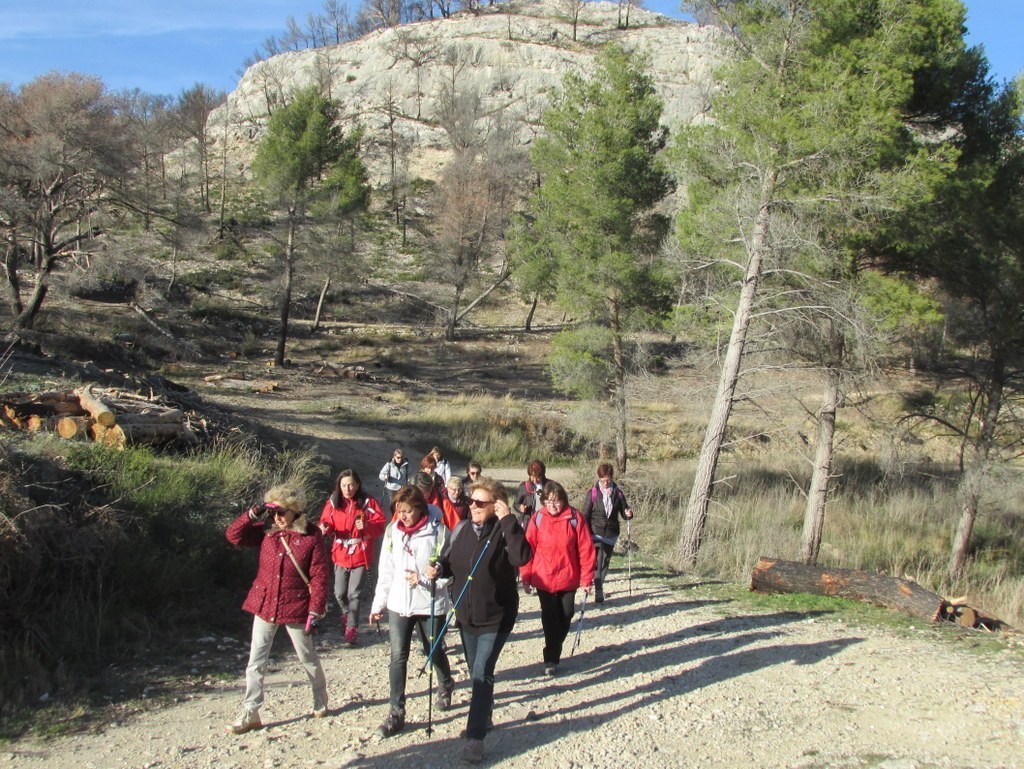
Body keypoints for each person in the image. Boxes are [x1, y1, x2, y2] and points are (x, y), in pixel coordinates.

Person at [426, 477, 532, 765]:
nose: (473, 506)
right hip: (466, 616)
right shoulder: (460, 529)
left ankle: (475, 737)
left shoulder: (504, 530)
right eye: (472, 501)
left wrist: (508, 519)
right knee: (476, 669)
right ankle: (484, 713)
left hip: (497, 616)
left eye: (480, 503)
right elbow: (449, 562)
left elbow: (522, 556)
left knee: (481, 671)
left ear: (495, 505)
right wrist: (438, 567)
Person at [225, 483, 330, 734]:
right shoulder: (266, 530)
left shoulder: (311, 535)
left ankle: (320, 698)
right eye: (274, 512)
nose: (278, 517)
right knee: (255, 661)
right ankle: (251, 711)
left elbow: (319, 576)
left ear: (295, 511)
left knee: (307, 658)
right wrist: (255, 512)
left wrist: (315, 611)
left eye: (282, 512)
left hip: (297, 606)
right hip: (265, 603)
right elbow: (233, 535)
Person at [369, 485, 455, 738]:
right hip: (400, 603)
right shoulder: (393, 531)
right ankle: (396, 712)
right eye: (399, 511)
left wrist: (431, 578)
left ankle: (446, 683)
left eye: (407, 511)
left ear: (420, 509)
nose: (402, 516)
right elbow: (386, 569)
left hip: (429, 601)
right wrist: (378, 604)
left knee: (433, 649)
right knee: (398, 657)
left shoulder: (438, 531)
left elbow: (449, 570)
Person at [519, 480, 596, 677]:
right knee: (549, 618)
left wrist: (587, 578)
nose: (553, 505)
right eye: (549, 501)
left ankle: (554, 648)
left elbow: (586, 549)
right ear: (543, 501)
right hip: (543, 577)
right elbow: (529, 550)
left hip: (568, 577)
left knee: (567, 613)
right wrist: (526, 575)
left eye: (557, 501)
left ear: (564, 500)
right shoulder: (537, 519)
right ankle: (551, 657)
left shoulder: (575, 518)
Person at [319, 468, 386, 645]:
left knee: (354, 594)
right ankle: (346, 614)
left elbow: (380, 526)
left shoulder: (368, 502)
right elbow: (326, 521)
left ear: (357, 485)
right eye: (343, 485)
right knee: (339, 593)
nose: (347, 489)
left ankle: (352, 627)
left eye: (351, 485)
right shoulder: (333, 503)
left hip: (360, 552)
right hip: (340, 552)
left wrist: (365, 526)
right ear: (339, 486)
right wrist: (325, 528)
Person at [580, 463, 634, 603]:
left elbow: (624, 511)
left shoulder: (618, 492)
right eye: (602, 479)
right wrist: (583, 530)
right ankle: (599, 591)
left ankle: (599, 585)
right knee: (597, 560)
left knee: (605, 561)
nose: (605, 482)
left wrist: (628, 513)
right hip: (595, 531)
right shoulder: (592, 492)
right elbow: (585, 513)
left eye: (608, 479)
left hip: (611, 532)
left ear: (611, 478)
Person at [513, 459, 547, 530]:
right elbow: (516, 503)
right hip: (528, 522)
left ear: (542, 475)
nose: (535, 480)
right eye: (532, 477)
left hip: (545, 521)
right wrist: (520, 507)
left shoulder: (549, 486)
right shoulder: (524, 487)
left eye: (537, 477)